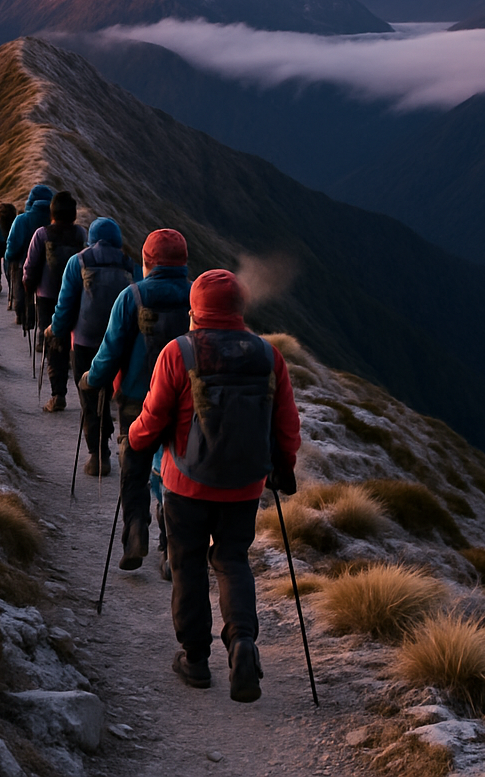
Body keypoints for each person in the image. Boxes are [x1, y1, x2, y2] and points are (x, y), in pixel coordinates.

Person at [128, 269, 301, 703]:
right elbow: (286, 424)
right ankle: (242, 641)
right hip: (245, 484)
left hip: (186, 482)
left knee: (186, 562)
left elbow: (154, 416)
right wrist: (283, 467)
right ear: (240, 307)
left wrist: (135, 439)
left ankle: (196, 659)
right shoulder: (269, 355)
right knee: (232, 559)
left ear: (196, 308)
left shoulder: (178, 352)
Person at [81, 229, 191, 568]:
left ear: (147, 261)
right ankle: (170, 548)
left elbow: (111, 349)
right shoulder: (196, 295)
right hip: (186, 402)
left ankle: (135, 532)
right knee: (176, 469)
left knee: (134, 464)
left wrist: (93, 379)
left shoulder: (132, 296)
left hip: (136, 397)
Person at [47, 217, 141, 471]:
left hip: (84, 341)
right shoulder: (129, 263)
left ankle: (98, 456)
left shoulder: (78, 261)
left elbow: (65, 304)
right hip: (121, 343)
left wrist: (56, 331)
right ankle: (124, 446)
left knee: (89, 396)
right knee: (112, 394)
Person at [23, 191, 87, 411]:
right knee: (76, 341)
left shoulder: (42, 234)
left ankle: (58, 394)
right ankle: (86, 394)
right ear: (73, 214)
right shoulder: (81, 233)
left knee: (53, 342)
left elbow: (31, 265)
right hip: (76, 295)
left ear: (52, 213)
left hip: (47, 296)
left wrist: (28, 286)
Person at [5, 184, 53, 330]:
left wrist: (9, 257)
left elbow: (13, 246)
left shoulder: (22, 220)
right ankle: (44, 327)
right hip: (52, 268)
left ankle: (23, 317)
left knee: (22, 292)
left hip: (23, 265)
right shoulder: (55, 220)